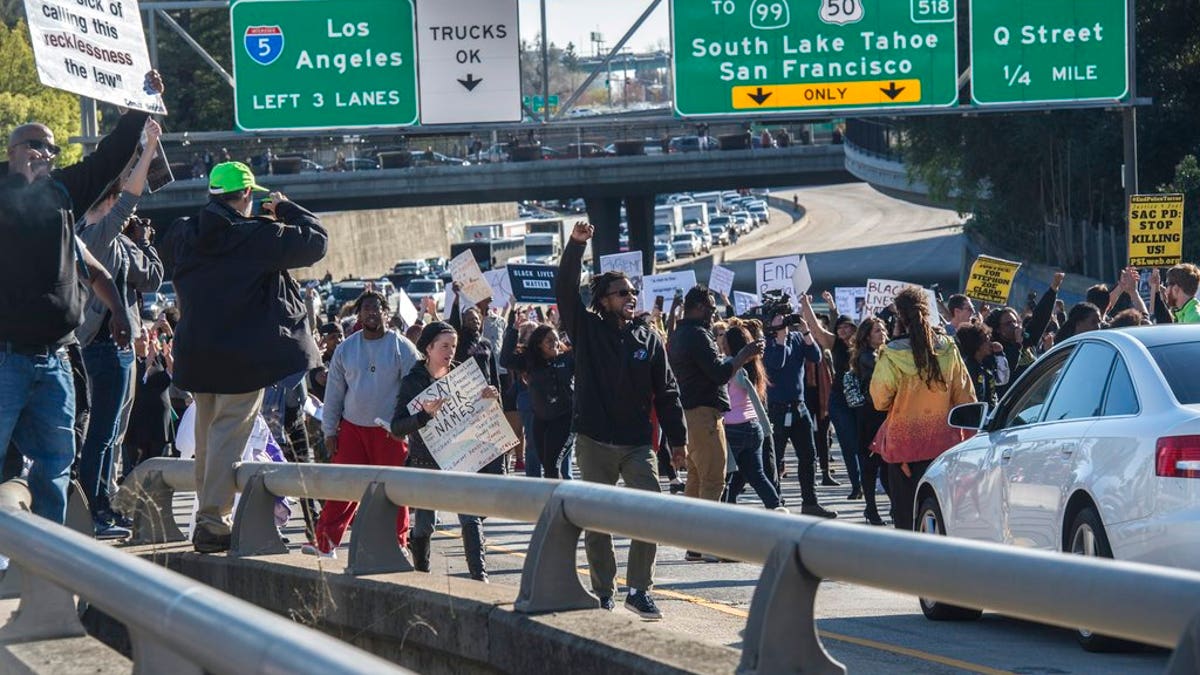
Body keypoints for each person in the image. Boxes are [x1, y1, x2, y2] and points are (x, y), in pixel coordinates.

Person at [0, 73, 161, 524]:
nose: (41, 152)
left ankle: (51, 565)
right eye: (31, 144)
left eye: (49, 147)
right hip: (4, 358)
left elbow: (112, 155)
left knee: (56, 464)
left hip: (54, 359)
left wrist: (141, 101)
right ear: (10, 151)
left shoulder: (64, 196)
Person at [162, 161, 327, 553]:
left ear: (212, 194)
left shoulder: (185, 233)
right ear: (248, 195)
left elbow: (168, 247)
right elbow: (316, 241)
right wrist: (285, 208)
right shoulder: (256, 237)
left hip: (197, 355)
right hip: (240, 358)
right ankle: (213, 521)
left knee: (208, 435)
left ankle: (208, 513)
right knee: (227, 435)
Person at [556, 221, 687, 620]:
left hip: (635, 442)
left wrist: (677, 441)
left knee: (649, 509)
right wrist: (576, 246)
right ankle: (603, 592)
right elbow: (564, 290)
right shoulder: (587, 330)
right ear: (603, 299)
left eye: (632, 292)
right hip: (594, 439)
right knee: (598, 521)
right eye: (622, 292)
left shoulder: (649, 339)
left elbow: (666, 391)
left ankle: (639, 589)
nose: (630, 297)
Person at [76, 119, 164, 538]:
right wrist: (146, 149)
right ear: (105, 201)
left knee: (111, 432)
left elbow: (149, 276)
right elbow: (129, 195)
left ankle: (103, 505)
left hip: (118, 346)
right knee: (102, 433)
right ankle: (93, 509)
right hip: (101, 347)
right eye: (114, 198)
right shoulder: (94, 233)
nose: (123, 203)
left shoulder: (98, 234)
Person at [303, 291, 419, 558]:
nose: (371, 313)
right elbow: (333, 395)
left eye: (377, 308)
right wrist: (330, 431)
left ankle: (398, 545)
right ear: (358, 315)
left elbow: (418, 384)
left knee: (394, 491)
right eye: (366, 308)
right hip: (352, 429)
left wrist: (410, 426)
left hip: (390, 432)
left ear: (386, 314)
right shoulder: (346, 348)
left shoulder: (401, 346)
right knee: (342, 486)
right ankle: (326, 544)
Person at [389, 322, 502, 581]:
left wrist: (490, 398)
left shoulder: (464, 377)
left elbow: (483, 419)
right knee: (426, 523)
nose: (451, 351)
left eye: (453, 345)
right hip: (425, 461)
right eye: (444, 346)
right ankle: (422, 574)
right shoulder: (413, 381)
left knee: (470, 517)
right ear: (428, 348)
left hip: (461, 459)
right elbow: (397, 427)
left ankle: (479, 576)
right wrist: (423, 415)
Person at [869, 288, 975, 531]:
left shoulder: (892, 354)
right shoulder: (949, 349)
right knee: (941, 514)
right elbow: (966, 399)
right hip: (943, 447)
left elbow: (879, 400)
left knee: (906, 519)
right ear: (928, 314)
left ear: (900, 318)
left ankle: (909, 566)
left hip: (903, 449)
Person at [669, 286, 762, 561]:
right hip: (702, 414)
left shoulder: (680, 334)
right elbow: (719, 373)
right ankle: (709, 545)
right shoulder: (697, 335)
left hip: (693, 413)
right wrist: (743, 355)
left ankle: (694, 544)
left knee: (697, 480)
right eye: (710, 308)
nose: (713, 314)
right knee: (713, 479)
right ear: (697, 307)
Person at [762, 307, 836, 518]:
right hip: (777, 409)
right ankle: (775, 502)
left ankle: (810, 502)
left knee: (808, 456)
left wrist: (805, 331)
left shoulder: (796, 338)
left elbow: (815, 356)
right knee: (775, 458)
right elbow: (777, 363)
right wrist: (780, 338)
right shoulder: (767, 344)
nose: (786, 322)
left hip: (799, 407)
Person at [720, 320, 784, 512]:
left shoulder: (729, 366)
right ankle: (776, 508)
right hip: (753, 427)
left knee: (727, 478)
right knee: (758, 475)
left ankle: (726, 518)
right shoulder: (755, 367)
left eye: (724, 341)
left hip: (732, 429)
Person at [807, 293, 861, 499]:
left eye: (847, 327)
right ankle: (856, 485)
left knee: (862, 443)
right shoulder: (835, 345)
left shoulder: (865, 346)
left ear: (855, 329)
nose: (843, 330)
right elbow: (816, 328)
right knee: (847, 443)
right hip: (840, 400)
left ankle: (866, 479)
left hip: (863, 400)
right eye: (839, 328)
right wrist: (805, 305)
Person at [985, 272, 1063, 398]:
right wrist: (1017, 344)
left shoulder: (1026, 340)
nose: (1014, 326)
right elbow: (1006, 370)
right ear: (998, 329)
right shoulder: (996, 348)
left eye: (1015, 321)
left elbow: (1039, 319)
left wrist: (1053, 289)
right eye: (1008, 324)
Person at [849, 318, 889, 526]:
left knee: (887, 462)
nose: (882, 332)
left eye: (883, 329)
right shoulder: (868, 357)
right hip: (871, 415)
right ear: (866, 336)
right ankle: (871, 508)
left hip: (884, 413)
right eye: (876, 330)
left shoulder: (885, 353)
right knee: (871, 463)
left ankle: (885, 506)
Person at [954, 323, 1006, 408]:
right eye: (986, 340)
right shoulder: (968, 369)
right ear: (976, 343)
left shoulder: (986, 363)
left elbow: (1002, 379)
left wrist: (1000, 354)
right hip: (981, 415)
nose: (991, 343)